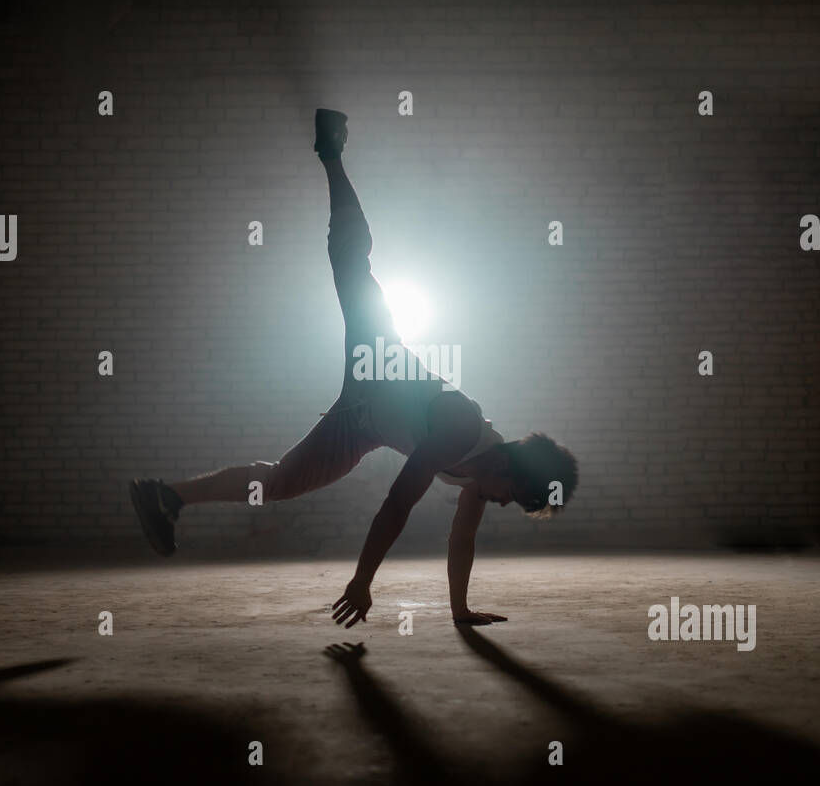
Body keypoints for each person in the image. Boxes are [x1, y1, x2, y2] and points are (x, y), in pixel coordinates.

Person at [130, 109, 578, 628]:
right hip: (380, 357)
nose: (503, 506)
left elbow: (463, 538)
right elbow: (398, 502)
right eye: (513, 499)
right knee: (353, 264)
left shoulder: (482, 479)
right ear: (507, 471)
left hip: (358, 423)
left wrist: (460, 612)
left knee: (277, 484)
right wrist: (363, 581)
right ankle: (332, 154)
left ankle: (165, 496)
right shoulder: (461, 426)